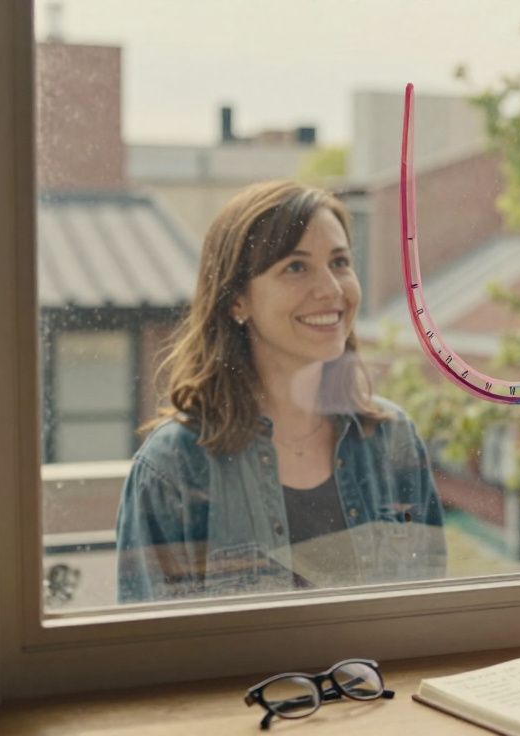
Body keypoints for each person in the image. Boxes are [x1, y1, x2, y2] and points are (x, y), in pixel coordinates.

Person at [116, 181, 446, 602]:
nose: (331, 289)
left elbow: (429, 622)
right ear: (237, 301)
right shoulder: (175, 467)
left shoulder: (394, 441)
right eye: (296, 266)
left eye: (340, 262)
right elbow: (151, 655)